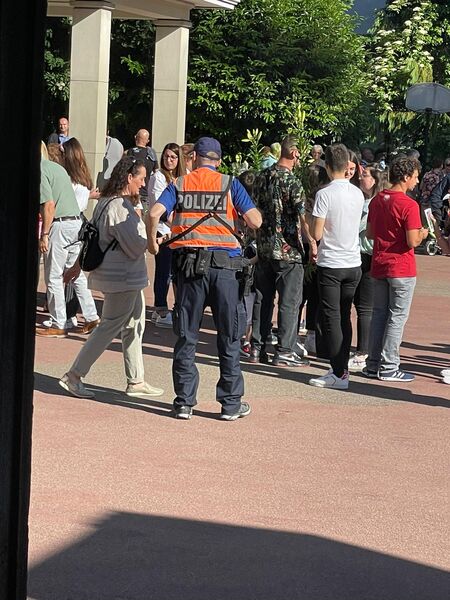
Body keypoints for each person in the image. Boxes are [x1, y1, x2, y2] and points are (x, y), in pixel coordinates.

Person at [148, 136, 261, 420]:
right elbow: (256, 221)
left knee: (187, 336)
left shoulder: (180, 184)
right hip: (225, 270)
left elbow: (154, 212)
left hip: (189, 270)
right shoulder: (230, 184)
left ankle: (184, 403)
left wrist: (153, 242)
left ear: (194, 158)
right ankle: (230, 404)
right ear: (218, 161)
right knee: (229, 337)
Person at [59, 156, 164, 400]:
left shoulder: (106, 201)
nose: (143, 183)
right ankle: (74, 376)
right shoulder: (119, 207)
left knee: (134, 324)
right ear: (129, 177)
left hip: (122, 276)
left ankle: (136, 380)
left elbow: (93, 238)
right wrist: (155, 238)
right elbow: (136, 247)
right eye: (141, 178)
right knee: (110, 325)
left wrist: (77, 266)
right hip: (122, 277)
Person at [363, 156, 428, 382]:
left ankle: (373, 363)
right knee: (397, 317)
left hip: (380, 263)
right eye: (415, 177)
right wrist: (422, 234)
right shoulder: (409, 205)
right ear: (406, 177)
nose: (417, 181)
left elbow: (370, 233)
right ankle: (389, 366)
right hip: (401, 267)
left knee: (379, 314)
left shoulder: (377, 200)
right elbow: (412, 241)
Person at [250, 136, 311, 367]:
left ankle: (256, 347)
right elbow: (303, 217)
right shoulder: (292, 182)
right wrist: (312, 243)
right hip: (288, 250)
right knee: (289, 302)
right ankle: (285, 350)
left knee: (263, 299)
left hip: (265, 247)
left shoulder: (261, 177)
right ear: (294, 153)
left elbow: (253, 209)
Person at [308, 144, 365, 389]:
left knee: (331, 319)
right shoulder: (358, 193)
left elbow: (316, 233)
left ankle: (339, 372)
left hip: (331, 263)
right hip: (353, 262)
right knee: (343, 316)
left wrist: (310, 219)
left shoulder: (325, 194)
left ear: (329, 167)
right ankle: (341, 370)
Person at [36, 153, 100, 338]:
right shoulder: (57, 168)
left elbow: (49, 205)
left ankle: (58, 323)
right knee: (75, 274)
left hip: (60, 225)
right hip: (75, 223)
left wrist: (44, 234)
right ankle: (91, 317)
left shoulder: (41, 170)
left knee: (54, 276)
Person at [348, 164, 389, 372]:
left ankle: (363, 352)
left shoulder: (372, 203)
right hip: (363, 254)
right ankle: (364, 349)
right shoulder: (369, 201)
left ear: (374, 180)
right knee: (362, 304)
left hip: (368, 255)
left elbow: (359, 227)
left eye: (364, 175)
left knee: (365, 306)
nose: (360, 178)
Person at [147, 143, 186, 328]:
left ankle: (178, 307)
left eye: (173, 157)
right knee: (164, 271)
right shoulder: (158, 177)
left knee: (177, 271)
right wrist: (177, 225)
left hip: (179, 232)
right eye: (166, 156)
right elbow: (159, 208)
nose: (169, 160)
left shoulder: (183, 177)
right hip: (164, 230)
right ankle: (160, 308)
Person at [125, 129, 157, 205]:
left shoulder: (131, 151)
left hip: (133, 192)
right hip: (146, 192)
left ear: (136, 137)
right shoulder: (152, 154)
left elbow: (125, 169)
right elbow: (156, 171)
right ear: (147, 141)